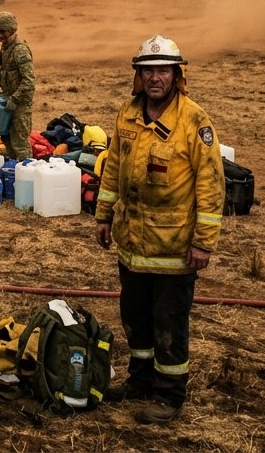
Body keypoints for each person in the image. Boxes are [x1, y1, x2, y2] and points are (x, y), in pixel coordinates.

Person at [95, 35, 224, 424]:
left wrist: (203, 243)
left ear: (176, 75)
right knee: (135, 316)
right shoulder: (127, 115)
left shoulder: (194, 120)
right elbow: (113, 168)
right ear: (139, 75)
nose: (155, 77)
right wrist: (103, 215)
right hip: (132, 244)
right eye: (148, 70)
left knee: (169, 322)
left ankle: (169, 396)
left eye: (163, 70)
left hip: (173, 247)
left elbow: (211, 183)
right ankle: (140, 381)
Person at [0, 11, 35, 160]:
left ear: (11, 30)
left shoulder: (20, 50)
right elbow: (2, 70)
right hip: (7, 102)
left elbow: (29, 81)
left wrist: (14, 100)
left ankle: (26, 172)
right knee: (7, 140)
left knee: (20, 144)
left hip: (20, 105)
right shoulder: (5, 48)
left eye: (2, 31)